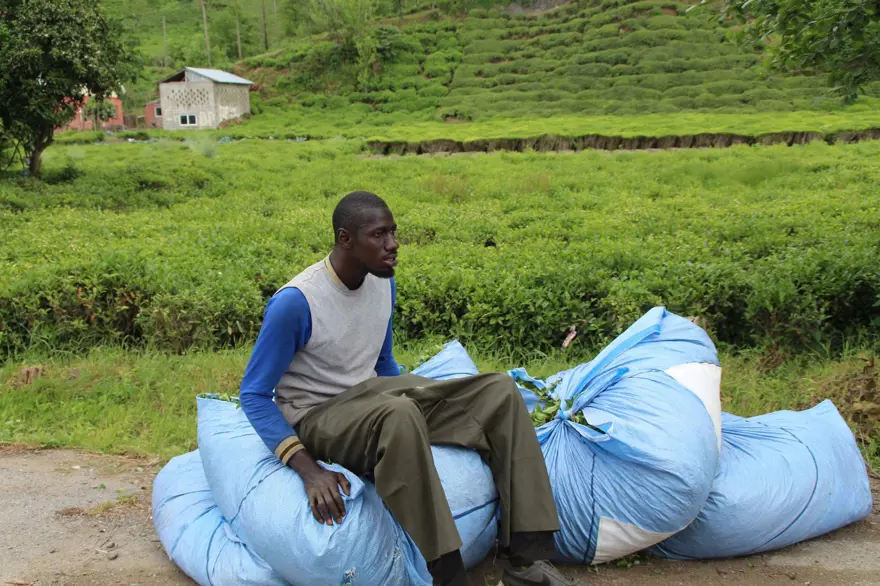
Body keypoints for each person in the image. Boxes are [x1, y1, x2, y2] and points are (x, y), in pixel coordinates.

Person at [239, 191, 576, 586]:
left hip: (373, 395)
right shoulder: (297, 303)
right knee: (399, 414)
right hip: (319, 415)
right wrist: (309, 471)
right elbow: (254, 394)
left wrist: (421, 397)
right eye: (379, 235)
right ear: (346, 239)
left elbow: (382, 363)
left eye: (394, 233)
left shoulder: (381, 282)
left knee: (500, 390)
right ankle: (448, 576)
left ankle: (527, 560)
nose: (393, 244)